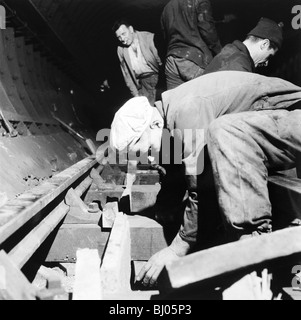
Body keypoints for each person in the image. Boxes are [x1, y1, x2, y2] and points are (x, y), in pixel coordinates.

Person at [109, 70, 301, 286]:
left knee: (224, 131)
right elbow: (177, 170)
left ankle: (253, 246)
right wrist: (164, 207)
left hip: (293, 120)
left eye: (143, 151)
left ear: (153, 125)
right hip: (274, 128)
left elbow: (202, 187)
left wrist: (179, 246)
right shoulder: (169, 116)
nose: (147, 159)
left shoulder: (187, 111)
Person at [207, 105, 301, 241]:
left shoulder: (183, 114)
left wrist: (185, 239)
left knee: (226, 130)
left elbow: (192, 178)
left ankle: (253, 241)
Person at [161, 0, 222, 90]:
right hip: (195, 59)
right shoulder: (200, 1)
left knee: (175, 101)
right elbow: (207, 30)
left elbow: (165, 36)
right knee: (207, 97)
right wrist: (220, 53)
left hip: (171, 60)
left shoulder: (166, 8)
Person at [205, 17, 284, 74]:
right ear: (264, 44)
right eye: (269, 56)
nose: (266, 63)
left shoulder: (229, 53)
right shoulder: (239, 65)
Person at [112, 19, 162, 106]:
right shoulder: (120, 49)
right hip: (142, 85)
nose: (122, 39)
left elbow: (160, 62)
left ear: (131, 29)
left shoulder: (148, 37)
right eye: (119, 37)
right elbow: (126, 75)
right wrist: (135, 94)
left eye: (124, 34)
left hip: (158, 79)